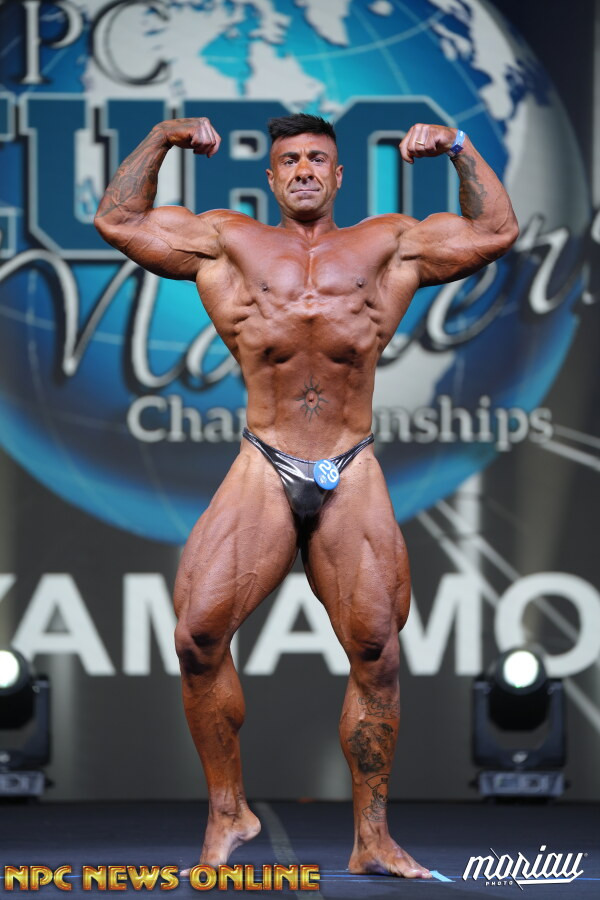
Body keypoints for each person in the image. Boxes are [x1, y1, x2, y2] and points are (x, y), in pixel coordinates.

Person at [95, 113, 518, 879]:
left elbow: (495, 231)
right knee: (196, 637)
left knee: (376, 652)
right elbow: (118, 221)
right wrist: (161, 137)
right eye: (289, 160)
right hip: (265, 457)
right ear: (270, 176)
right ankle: (228, 810)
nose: (303, 170)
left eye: (317, 159)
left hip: (350, 464)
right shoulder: (228, 242)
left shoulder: (388, 244)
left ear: (338, 175)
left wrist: (457, 146)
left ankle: (372, 838)